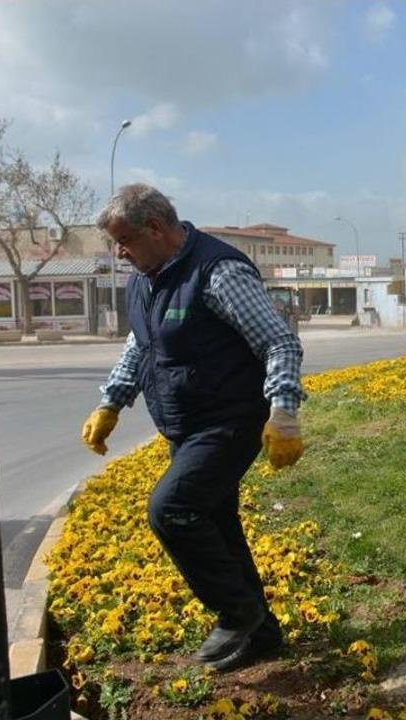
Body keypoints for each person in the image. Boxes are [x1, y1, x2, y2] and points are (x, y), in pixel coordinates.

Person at [80, 184, 306, 670]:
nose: (119, 253)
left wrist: (284, 412)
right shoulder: (143, 279)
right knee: (217, 525)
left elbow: (279, 344)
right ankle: (263, 635)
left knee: (173, 510)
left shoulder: (217, 273)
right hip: (186, 425)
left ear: (156, 228)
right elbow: (141, 346)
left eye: (124, 241)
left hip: (230, 418)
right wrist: (111, 404)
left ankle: (237, 610)